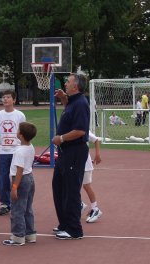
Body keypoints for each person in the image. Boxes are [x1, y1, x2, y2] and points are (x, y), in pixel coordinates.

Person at [52, 73, 90, 240]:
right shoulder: (73, 101)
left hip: (74, 151)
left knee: (71, 190)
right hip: (65, 152)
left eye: (68, 82)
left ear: (76, 86)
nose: (65, 84)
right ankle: (65, 223)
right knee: (59, 187)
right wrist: (63, 99)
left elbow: (80, 130)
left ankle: (74, 229)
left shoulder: (81, 103)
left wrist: (60, 138)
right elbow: (69, 112)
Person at [2, 122, 37, 246]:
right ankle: (30, 233)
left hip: (21, 180)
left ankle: (18, 236)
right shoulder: (30, 147)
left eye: (18, 130)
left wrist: (15, 187)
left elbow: (19, 170)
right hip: (30, 178)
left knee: (17, 209)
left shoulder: (19, 151)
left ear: (21, 136)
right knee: (27, 208)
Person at [0, 90, 26, 216]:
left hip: (16, 150)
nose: (5, 99)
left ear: (14, 100)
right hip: (3, 151)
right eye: (3, 97)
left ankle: (18, 201)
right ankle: (5, 203)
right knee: (2, 177)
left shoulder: (20, 115)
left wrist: (23, 149)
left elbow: (24, 132)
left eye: (8, 97)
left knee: (17, 176)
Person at [82, 131, 103, 223]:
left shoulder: (83, 128)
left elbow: (96, 140)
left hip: (85, 164)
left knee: (86, 185)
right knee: (72, 185)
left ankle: (95, 209)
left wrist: (97, 154)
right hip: (75, 163)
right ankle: (79, 205)